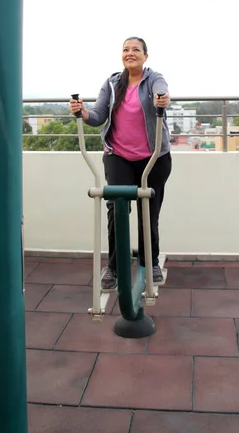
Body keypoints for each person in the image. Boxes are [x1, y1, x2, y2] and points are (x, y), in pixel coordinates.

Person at [70, 36, 172, 291]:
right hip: (118, 156)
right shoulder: (113, 83)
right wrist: (83, 112)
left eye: (136, 49)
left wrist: (162, 98)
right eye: (125, 49)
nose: (130, 53)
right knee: (117, 209)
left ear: (145, 56)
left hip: (154, 158)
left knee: (149, 211)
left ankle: (151, 262)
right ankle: (114, 266)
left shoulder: (153, 78)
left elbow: (162, 91)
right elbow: (97, 116)